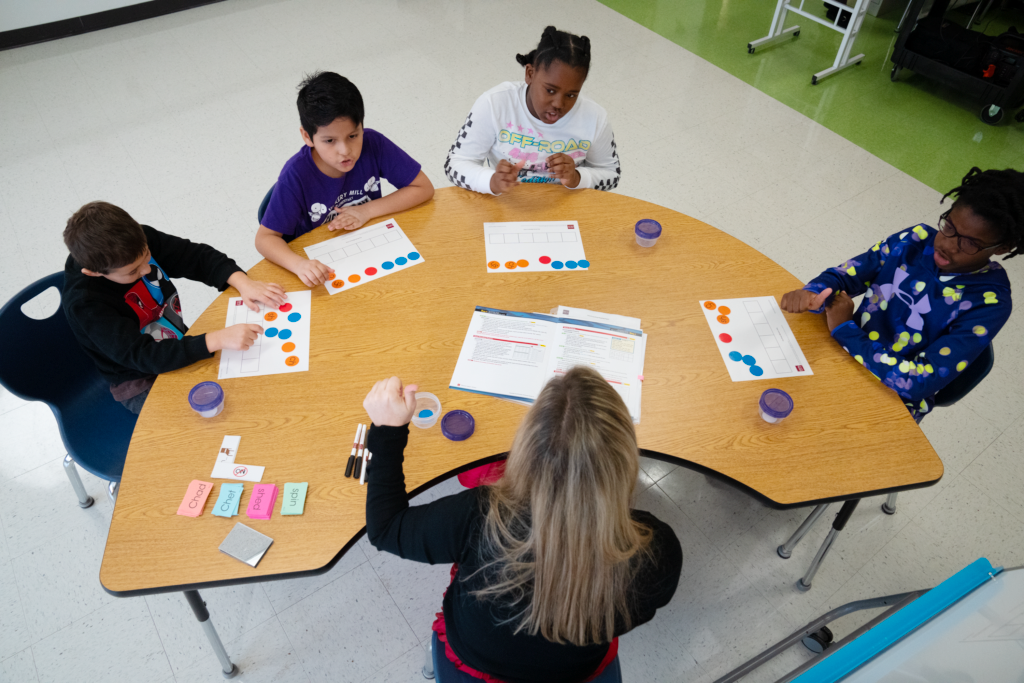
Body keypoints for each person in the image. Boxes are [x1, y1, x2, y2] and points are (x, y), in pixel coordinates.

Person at [363, 367, 682, 683]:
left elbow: (386, 528)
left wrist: (388, 431)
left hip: (476, 664)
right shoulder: (657, 552)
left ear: (524, 449)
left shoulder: (480, 516)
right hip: (577, 672)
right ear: (625, 460)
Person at [781, 167, 1022, 421]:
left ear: (1002, 248)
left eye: (971, 243)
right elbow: (846, 275)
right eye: (949, 225)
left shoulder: (990, 303)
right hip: (843, 353)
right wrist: (813, 292)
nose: (948, 244)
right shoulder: (913, 240)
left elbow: (918, 382)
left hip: (893, 401)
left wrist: (845, 329)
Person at [63, 201, 285, 414]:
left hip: (176, 342)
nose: (145, 269)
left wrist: (242, 282)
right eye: (132, 272)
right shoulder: (86, 303)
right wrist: (216, 340)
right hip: (138, 379)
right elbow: (143, 356)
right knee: (215, 414)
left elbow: (195, 257)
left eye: (147, 257)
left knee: (252, 387)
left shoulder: (136, 242)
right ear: (94, 273)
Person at [256, 71, 434, 288]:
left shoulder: (373, 143)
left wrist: (367, 211)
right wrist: (300, 265)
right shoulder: (296, 174)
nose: (345, 151)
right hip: (323, 263)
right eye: (329, 140)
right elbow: (265, 239)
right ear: (307, 137)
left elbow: (423, 187)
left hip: (369, 248)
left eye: (353, 135)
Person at [444, 26, 621, 196]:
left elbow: (611, 174)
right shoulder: (495, 103)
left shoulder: (595, 117)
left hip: (565, 206)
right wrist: (491, 181)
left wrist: (577, 178)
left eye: (572, 95)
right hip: (505, 201)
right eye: (550, 90)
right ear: (530, 73)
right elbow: (455, 163)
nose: (559, 104)